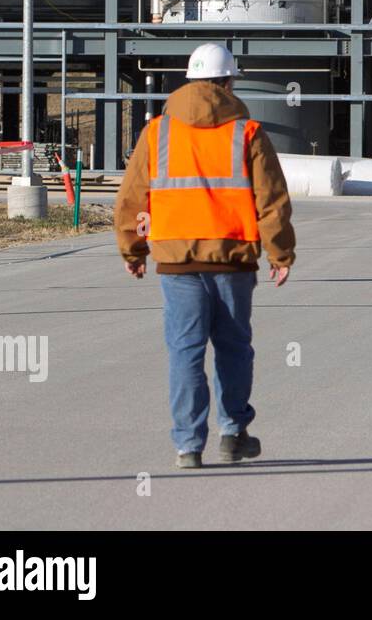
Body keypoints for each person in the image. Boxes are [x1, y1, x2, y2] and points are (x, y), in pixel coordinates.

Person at [114, 43, 295, 470]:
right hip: (233, 261)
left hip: (177, 262)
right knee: (234, 349)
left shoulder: (157, 131)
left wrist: (133, 247)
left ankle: (187, 446)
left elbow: (133, 197)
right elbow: (270, 199)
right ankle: (233, 435)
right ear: (229, 82)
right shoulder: (247, 132)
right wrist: (280, 252)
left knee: (185, 352)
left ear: (189, 81)